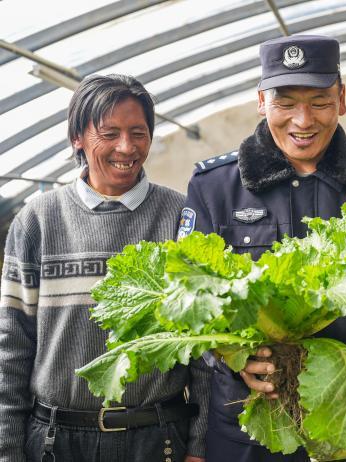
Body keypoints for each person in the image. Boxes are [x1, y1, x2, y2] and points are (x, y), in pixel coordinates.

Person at [177, 35, 346, 461]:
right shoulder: (214, 188)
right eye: (285, 103)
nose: (303, 120)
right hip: (250, 431)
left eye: (319, 102)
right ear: (261, 101)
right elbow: (190, 297)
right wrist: (231, 355)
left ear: (342, 99)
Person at [0, 74, 210, 462]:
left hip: (157, 439)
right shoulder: (38, 221)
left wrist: (198, 445)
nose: (126, 147)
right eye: (109, 133)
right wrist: (8, 451)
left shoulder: (181, 217)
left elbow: (204, 350)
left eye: (138, 132)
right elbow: (11, 350)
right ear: (77, 137)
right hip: (55, 443)